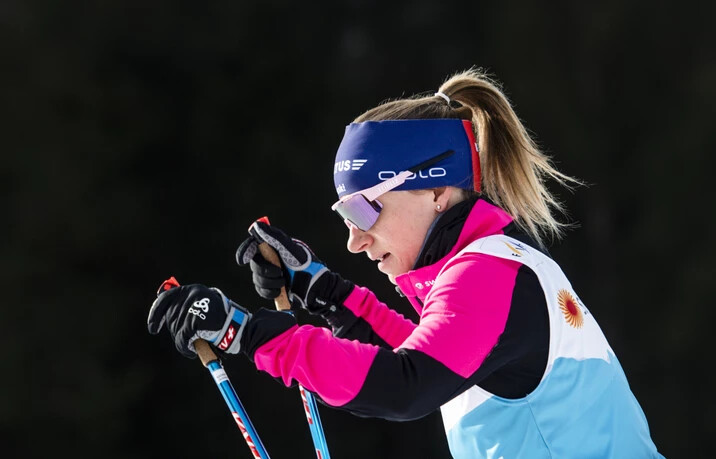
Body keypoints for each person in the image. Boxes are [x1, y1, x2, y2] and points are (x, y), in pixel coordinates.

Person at [148, 69, 663, 458]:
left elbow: (405, 386)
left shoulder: (487, 276)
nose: (354, 240)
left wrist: (247, 332)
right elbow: (426, 357)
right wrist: (324, 292)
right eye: (343, 213)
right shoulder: (492, 267)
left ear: (437, 189)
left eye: (363, 208)